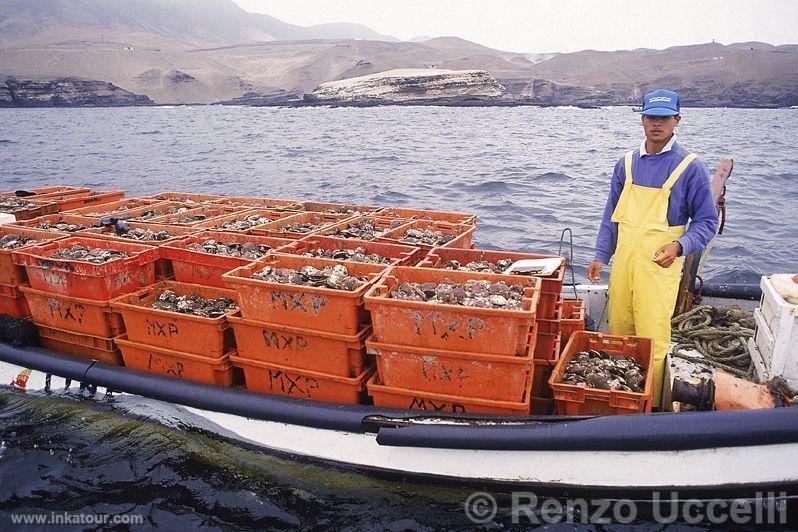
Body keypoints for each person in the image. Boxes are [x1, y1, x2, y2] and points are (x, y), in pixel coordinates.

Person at [587, 89, 719, 405]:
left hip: (659, 271)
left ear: (677, 120)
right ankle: (618, 402)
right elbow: (611, 215)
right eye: (651, 117)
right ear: (642, 120)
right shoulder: (626, 164)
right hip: (624, 267)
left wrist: (679, 245)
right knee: (619, 332)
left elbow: (706, 223)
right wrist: (601, 255)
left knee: (652, 340)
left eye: (664, 118)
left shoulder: (691, 167)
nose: (656, 124)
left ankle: (649, 406)